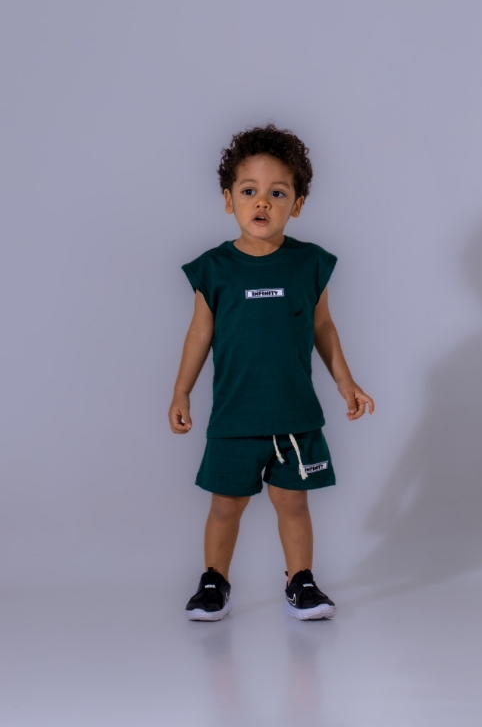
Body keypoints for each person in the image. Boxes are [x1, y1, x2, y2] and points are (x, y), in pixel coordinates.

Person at [169, 124, 374, 621]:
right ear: (228, 200)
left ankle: (300, 582)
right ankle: (214, 583)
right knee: (224, 507)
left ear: (297, 204)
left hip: (294, 416)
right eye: (249, 191)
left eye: (277, 193)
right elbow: (199, 334)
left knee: (294, 504)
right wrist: (181, 392)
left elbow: (323, 327)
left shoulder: (309, 264)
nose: (262, 202)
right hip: (235, 417)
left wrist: (346, 382)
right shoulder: (214, 269)